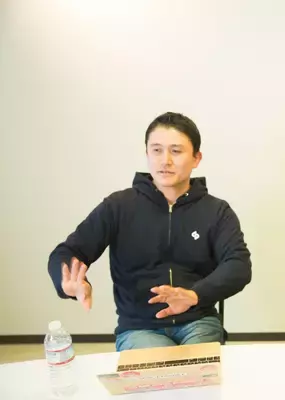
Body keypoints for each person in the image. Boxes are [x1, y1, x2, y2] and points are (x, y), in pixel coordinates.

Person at [48, 112, 252, 351]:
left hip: (198, 321)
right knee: (158, 369)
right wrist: (70, 282)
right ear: (147, 154)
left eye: (176, 151)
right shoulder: (119, 206)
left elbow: (238, 264)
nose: (165, 160)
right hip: (139, 328)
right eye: (156, 150)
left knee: (196, 368)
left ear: (196, 158)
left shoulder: (216, 211)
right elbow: (67, 252)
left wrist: (194, 295)